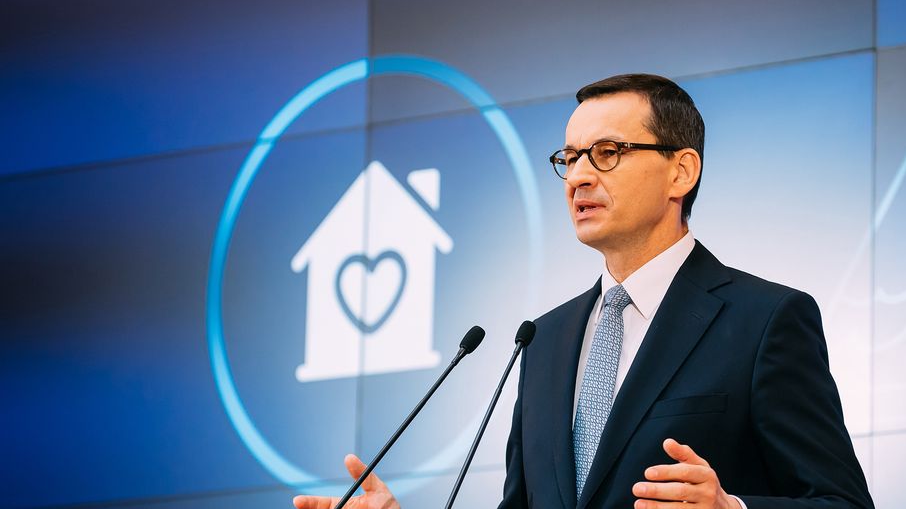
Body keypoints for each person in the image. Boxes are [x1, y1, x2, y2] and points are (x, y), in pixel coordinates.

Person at [293, 74, 875, 509]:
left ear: (681, 171)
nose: (577, 176)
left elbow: (842, 502)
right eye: (569, 158)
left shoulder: (765, 320)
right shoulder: (542, 340)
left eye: (607, 153)